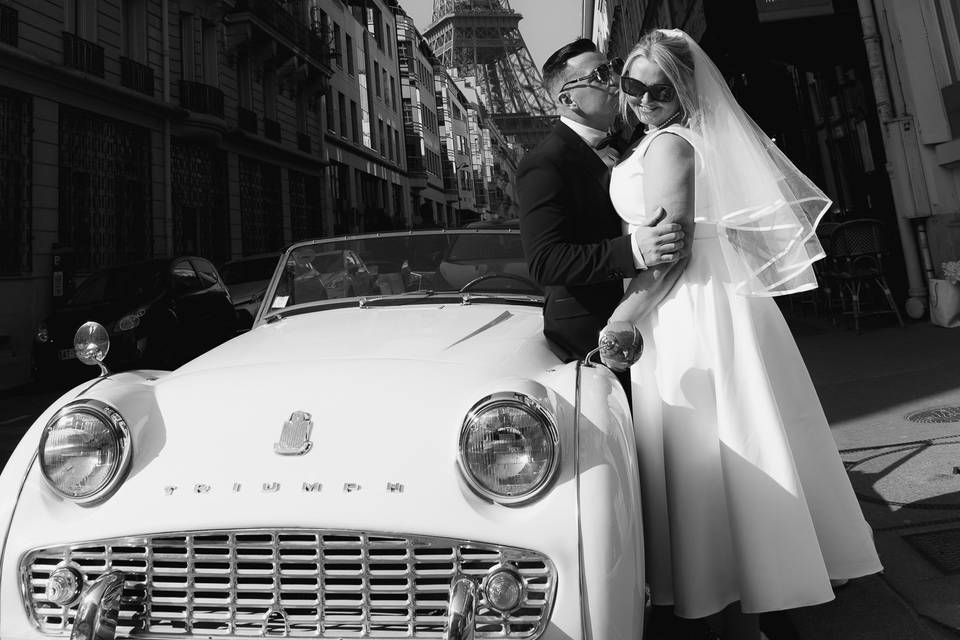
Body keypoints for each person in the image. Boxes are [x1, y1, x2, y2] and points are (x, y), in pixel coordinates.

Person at [599, 29, 882, 640]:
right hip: (713, 299)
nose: (644, 99)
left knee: (710, 448)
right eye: (632, 86)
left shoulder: (670, 146)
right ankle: (747, 604)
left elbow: (670, 252)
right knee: (736, 437)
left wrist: (622, 318)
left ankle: (733, 612)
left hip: (688, 306)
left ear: (685, 90)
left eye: (661, 89)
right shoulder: (677, 139)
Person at [519, 38, 686, 365]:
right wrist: (633, 250)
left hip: (653, 312)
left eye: (613, 67)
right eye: (599, 75)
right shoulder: (544, 163)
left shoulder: (631, 141)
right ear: (567, 99)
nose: (615, 79)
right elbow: (544, 261)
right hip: (591, 332)